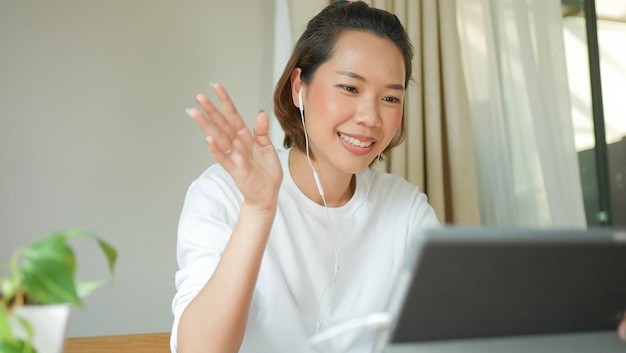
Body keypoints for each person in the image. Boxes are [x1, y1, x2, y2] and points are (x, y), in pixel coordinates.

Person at [171, 2, 441, 352]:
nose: (371, 117)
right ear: (300, 87)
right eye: (350, 88)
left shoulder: (406, 210)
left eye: (390, 98)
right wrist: (258, 209)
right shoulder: (222, 193)